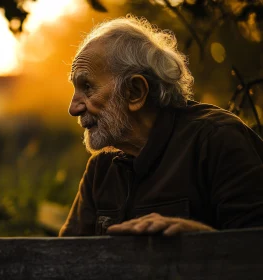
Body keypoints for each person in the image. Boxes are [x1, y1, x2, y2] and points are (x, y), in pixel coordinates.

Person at [59, 15, 263, 237]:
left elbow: (254, 249)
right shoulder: (101, 169)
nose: (73, 108)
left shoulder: (218, 140)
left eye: (87, 87)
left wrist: (199, 237)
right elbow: (67, 259)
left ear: (135, 92)